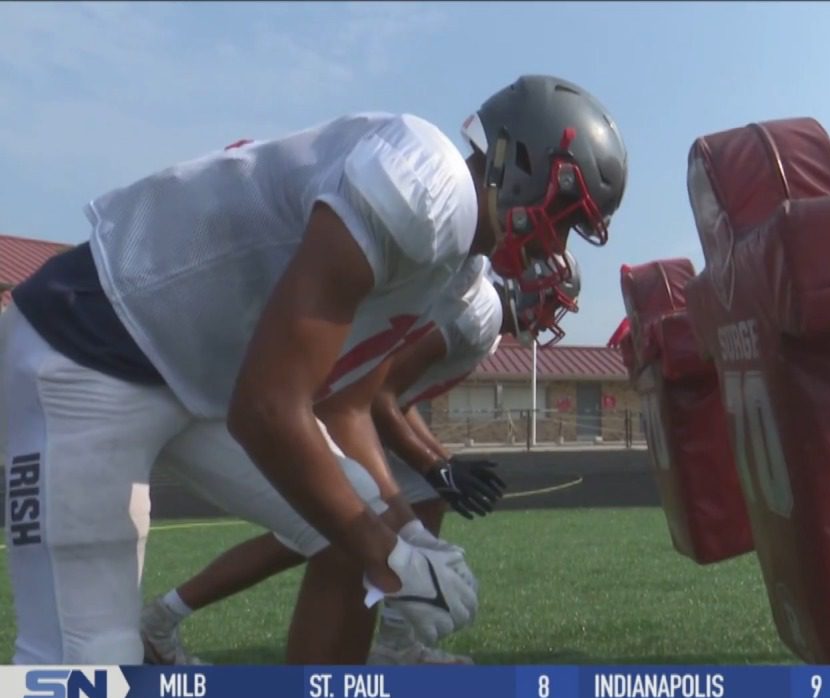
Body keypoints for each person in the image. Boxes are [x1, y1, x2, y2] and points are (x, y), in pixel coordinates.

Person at [1, 74, 627, 665]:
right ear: (518, 162)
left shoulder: (457, 272)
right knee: (84, 668)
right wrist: (392, 557)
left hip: (201, 386)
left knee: (354, 531)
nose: (558, 245)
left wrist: (408, 536)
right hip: (88, 349)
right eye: (566, 216)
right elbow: (269, 408)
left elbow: (342, 404)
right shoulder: (426, 184)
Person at [138, 253, 582, 665]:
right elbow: (370, 398)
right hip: (307, 403)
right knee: (332, 532)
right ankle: (165, 619)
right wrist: (430, 476)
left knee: (408, 501)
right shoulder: (479, 314)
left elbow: (395, 397)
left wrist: (435, 465)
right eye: (553, 302)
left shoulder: (478, 315)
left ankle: (395, 641)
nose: (550, 316)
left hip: (323, 398)